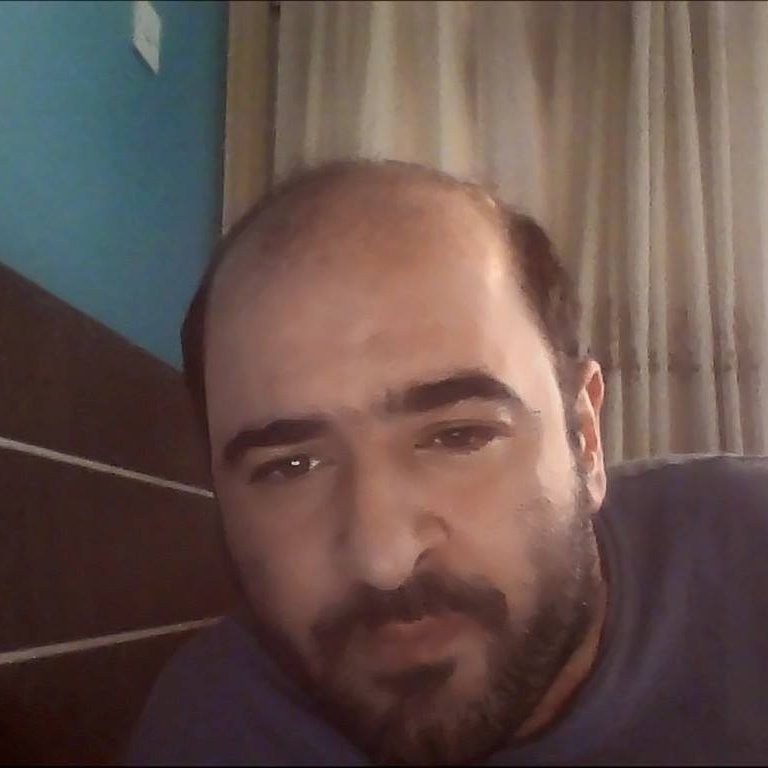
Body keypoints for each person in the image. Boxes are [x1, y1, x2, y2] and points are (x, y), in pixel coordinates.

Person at [126, 159, 768, 766]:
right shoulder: (212, 729)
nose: (384, 560)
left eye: (458, 436)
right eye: (290, 468)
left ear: (585, 437)